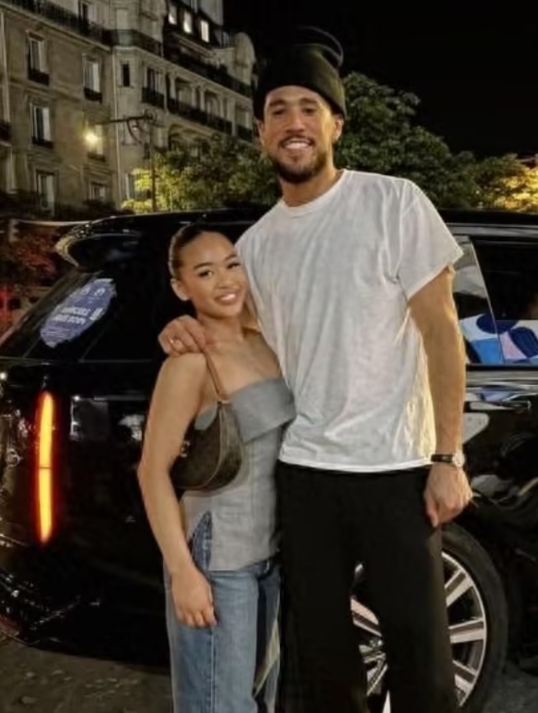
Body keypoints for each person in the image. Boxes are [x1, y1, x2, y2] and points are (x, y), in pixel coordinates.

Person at [158, 26, 473, 713]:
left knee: (421, 656)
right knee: (325, 662)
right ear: (261, 132)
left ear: (336, 124)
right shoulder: (254, 247)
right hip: (302, 475)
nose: (293, 122)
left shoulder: (393, 202)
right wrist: (180, 326)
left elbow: (442, 333)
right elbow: (237, 333)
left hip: (395, 466)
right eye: (277, 110)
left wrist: (448, 455)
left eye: (309, 107)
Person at [138, 224, 295, 713]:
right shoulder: (189, 364)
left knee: (258, 699)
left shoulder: (265, 341)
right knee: (218, 704)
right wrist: (182, 571)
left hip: (270, 554)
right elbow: (151, 471)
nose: (225, 280)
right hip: (217, 556)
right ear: (181, 287)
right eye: (205, 272)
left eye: (232, 265)